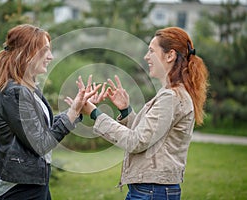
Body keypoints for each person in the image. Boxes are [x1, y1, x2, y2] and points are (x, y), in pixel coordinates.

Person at [78, 27, 209, 200]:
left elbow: (136, 142)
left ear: (170, 55)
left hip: (153, 191)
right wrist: (125, 111)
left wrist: (95, 114)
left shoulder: (171, 97)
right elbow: (149, 137)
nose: (146, 57)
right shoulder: (171, 94)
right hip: (150, 190)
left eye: (151, 51)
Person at [0, 24, 99, 200]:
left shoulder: (29, 89)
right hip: (20, 188)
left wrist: (76, 109)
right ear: (27, 53)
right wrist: (71, 115)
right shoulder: (14, 93)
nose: (51, 56)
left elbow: (40, 129)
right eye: (45, 50)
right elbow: (40, 143)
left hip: (33, 182)